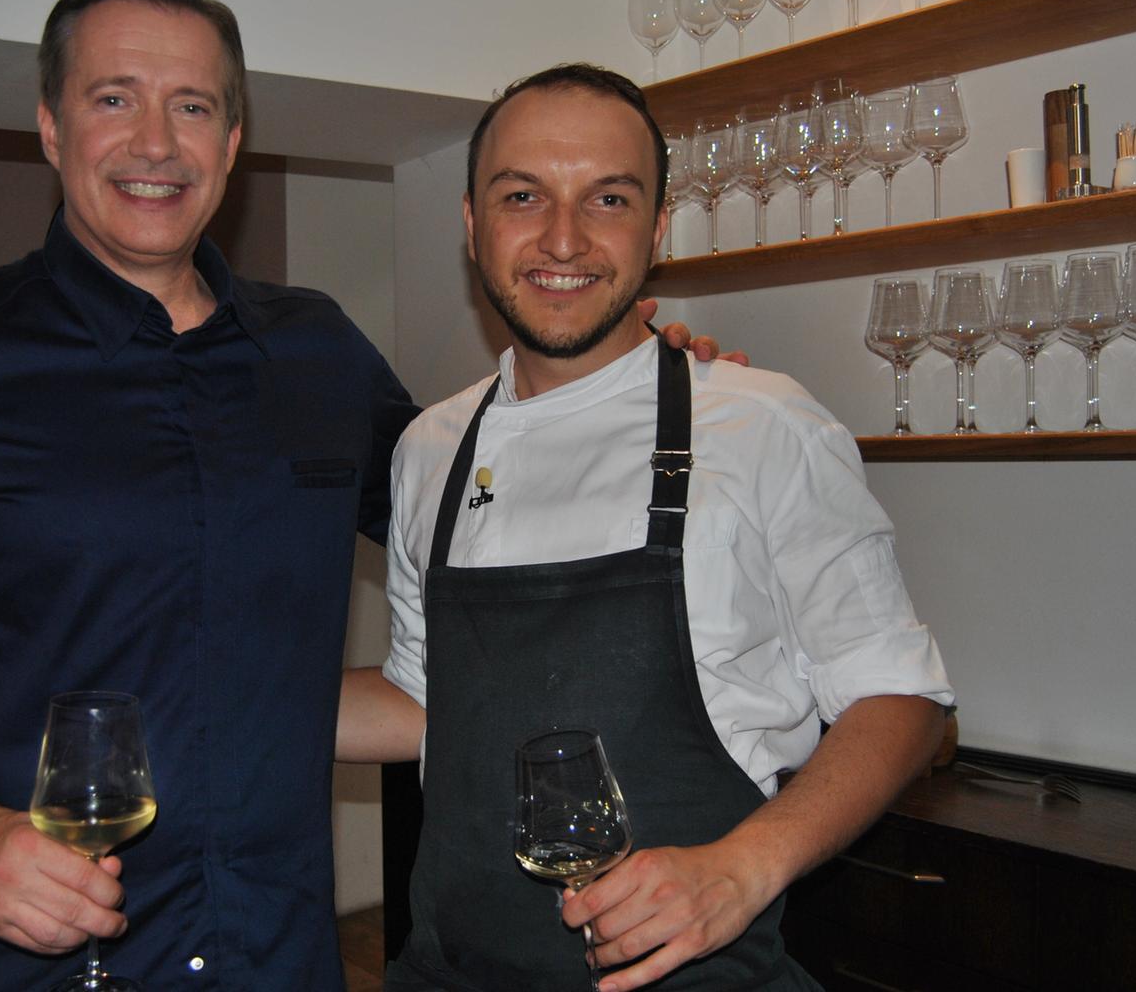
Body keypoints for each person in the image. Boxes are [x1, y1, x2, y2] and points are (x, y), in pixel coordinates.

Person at [0, 0, 721, 990]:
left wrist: (633, 387)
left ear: (229, 143)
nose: (155, 143)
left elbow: (485, 506)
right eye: (113, 99)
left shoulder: (318, 354)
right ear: (50, 127)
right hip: (25, 968)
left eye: (191, 106)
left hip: (279, 960)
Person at [337, 65, 955, 992]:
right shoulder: (431, 446)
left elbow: (901, 699)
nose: (563, 238)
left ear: (657, 228)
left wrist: (744, 867)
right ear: (472, 224)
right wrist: (211, 697)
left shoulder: (762, 424)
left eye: (609, 198)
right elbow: (427, 697)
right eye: (522, 196)